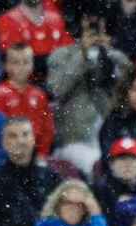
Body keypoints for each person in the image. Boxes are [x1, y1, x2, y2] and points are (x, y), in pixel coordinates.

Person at [46, 12, 131, 176]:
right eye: (90, 29)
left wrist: (108, 54)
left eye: (99, 29)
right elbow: (56, 89)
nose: (95, 35)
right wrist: (82, 56)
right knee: (97, 164)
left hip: (109, 136)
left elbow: (130, 87)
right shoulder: (62, 55)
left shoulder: (113, 55)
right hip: (73, 141)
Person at [0, 43, 55, 157]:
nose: (21, 67)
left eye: (26, 62)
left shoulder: (39, 95)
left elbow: (47, 130)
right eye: (15, 62)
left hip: (36, 154)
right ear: (6, 65)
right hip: (9, 155)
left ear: (32, 65)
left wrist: (42, 154)